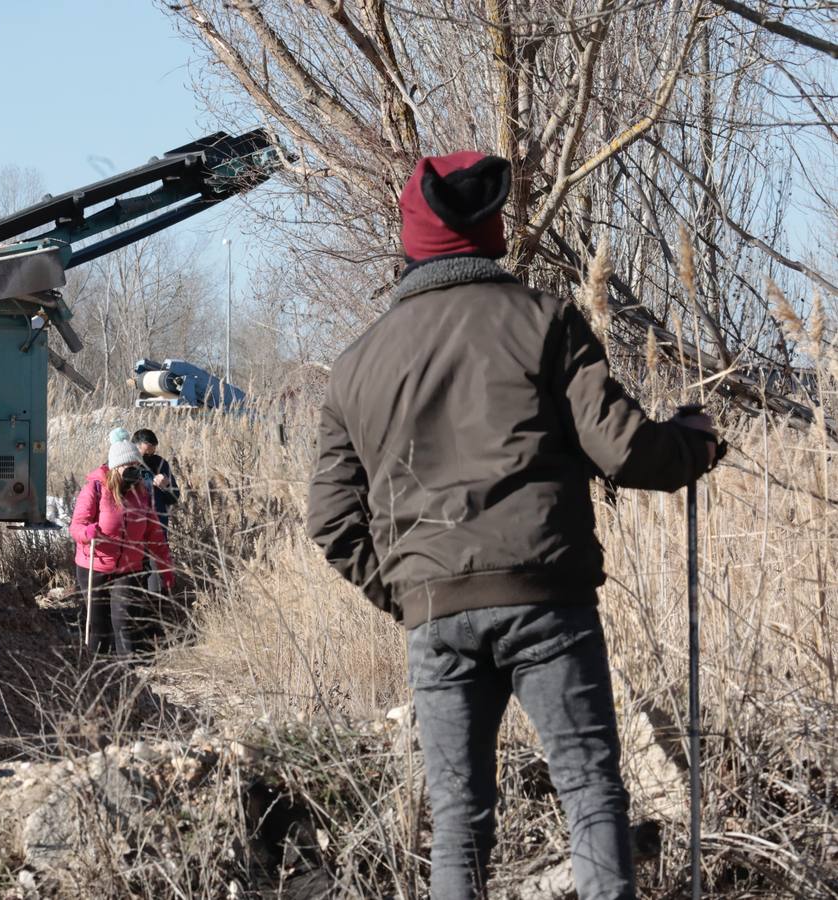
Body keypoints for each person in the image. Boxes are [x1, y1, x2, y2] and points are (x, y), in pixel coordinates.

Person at [306, 151, 721, 900]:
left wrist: (410, 592)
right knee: (590, 792)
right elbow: (624, 449)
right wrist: (695, 443)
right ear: (489, 229)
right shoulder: (544, 321)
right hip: (546, 600)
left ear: (412, 240)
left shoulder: (356, 366)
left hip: (434, 614)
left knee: (460, 820)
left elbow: (331, 519)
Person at [71, 440, 174, 656]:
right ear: (115, 467)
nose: (133, 471)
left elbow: (155, 536)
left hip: (128, 568)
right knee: (98, 626)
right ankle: (97, 675)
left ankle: (128, 675)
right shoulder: (95, 489)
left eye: (137, 466)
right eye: (129, 466)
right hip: (95, 566)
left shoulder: (141, 494)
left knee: (124, 622)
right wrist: (88, 533)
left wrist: (165, 569)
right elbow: (77, 526)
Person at [133, 427, 181, 598]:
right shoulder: (126, 465)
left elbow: (175, 497)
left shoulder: (161, 464)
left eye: (152, 453)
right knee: (135, 580)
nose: (148, 458)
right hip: (133, 533)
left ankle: (158, 611)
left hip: (158, 530)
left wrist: (167, 485)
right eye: (145, 453)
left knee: (157, 581)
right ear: (134, 448)